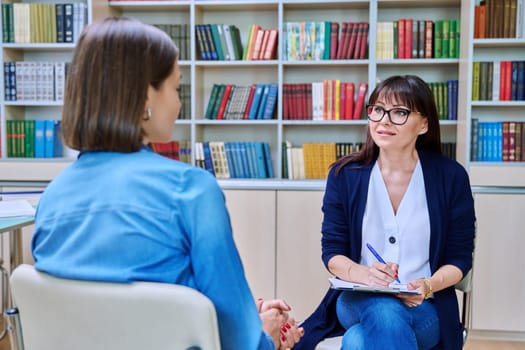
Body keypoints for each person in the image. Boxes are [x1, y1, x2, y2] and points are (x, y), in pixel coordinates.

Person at [31, 17, 303, 350]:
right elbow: (242, 344)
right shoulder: (192, 191)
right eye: (176, 88)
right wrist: (266, 333)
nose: (179, 103)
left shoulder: (53, 199)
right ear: (147, 95)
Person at [295, 75, 476, 350]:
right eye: (378, 110)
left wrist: (428, 284)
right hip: (357, 299)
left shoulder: (450, 177)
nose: (384, 120)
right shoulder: (344, 176)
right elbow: (332, 252)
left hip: (425, 306)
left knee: (357, 341)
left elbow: (459, 258)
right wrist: (363, 274)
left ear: (424, 124)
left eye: (399, 112)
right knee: (382, 309)